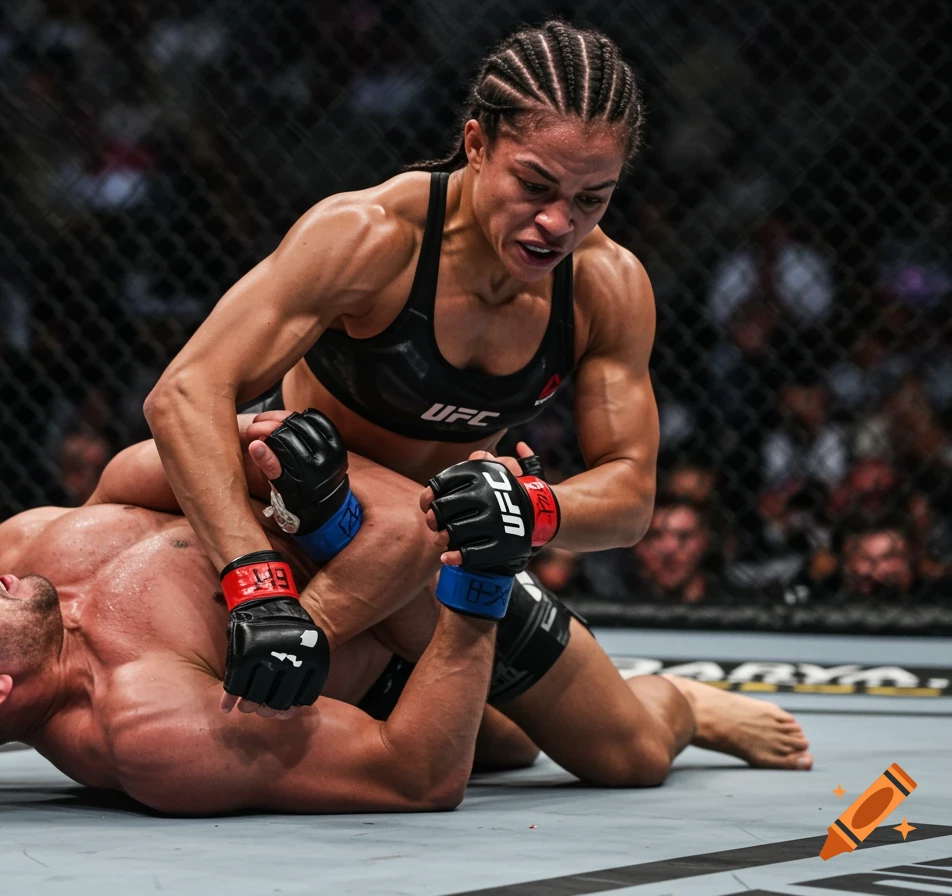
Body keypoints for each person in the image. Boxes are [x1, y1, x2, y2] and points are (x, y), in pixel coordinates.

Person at [0, 415, 812, 811]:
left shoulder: (24, 551)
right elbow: (412, 773)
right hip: (414, 602)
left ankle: (644, 707)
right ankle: (678, 701)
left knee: (603, 753)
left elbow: (146, 469)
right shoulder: (148, 721)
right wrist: (476, 581)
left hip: (361, 520)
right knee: (591, 748)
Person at [142, 20, 661, 710]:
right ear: (476, 145)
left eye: (591, 199)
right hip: (310, 516)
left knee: (624, 755)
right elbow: (185, 391)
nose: (558, 224)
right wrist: (255, 578)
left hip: (436, 551)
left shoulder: (608, 286)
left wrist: (529, 506)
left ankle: (688, 705)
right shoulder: (369, 237)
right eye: (535, 186)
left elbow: (631, 497)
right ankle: (294, 632)